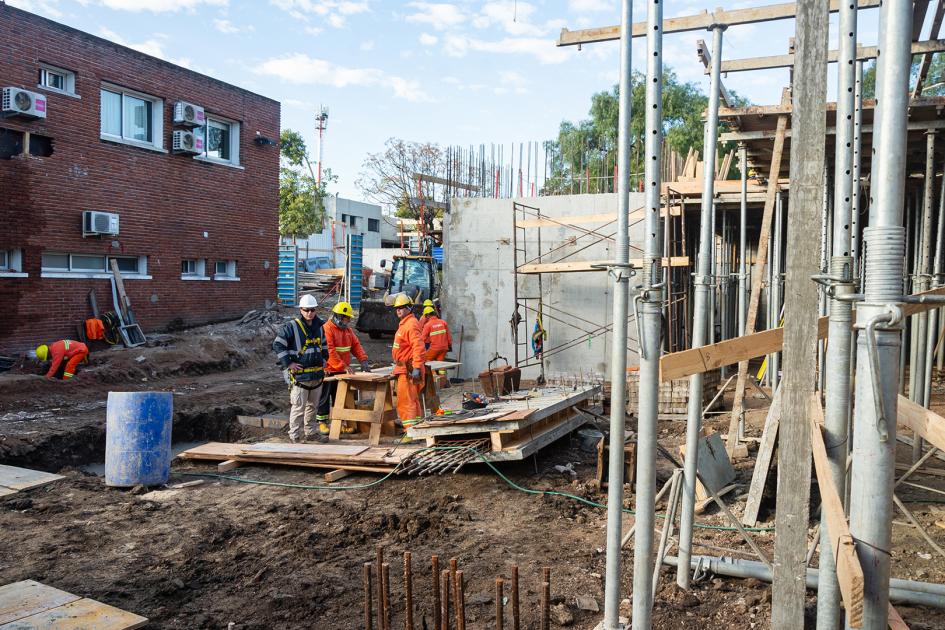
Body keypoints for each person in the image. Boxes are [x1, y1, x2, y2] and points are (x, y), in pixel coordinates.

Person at [272, 294, 328, 443]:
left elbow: (323, 344)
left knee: (313, 407)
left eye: (312, 310)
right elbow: (278, 344)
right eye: (306, 310)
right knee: (298, 408)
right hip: (300, 377)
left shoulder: (320, 327)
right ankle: (294, 436)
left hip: (316, 375)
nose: (309, 313)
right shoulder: (292, 327)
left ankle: (310, 433)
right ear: (301, 310)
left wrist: (324, 358)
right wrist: (288, 364)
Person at [316, 301, 371, 435]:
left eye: (348, 319)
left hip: (341, 371)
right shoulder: (327, 329)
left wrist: (363, 360)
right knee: (324, 397)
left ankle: (338, 424)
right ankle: (322, 423)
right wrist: (344, 366)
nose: (347, 321)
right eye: (345, 318)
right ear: (337, 316)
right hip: (328, 370)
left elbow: (356, 346)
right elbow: (330, 351)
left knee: (339, 398)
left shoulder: (348, 331)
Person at [391, 293, 426, 428]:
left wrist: (416, 367)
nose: (398, 310)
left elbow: (419, 346)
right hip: (406, 368)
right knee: (412, 400)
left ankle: (410, 431)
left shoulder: (410, 324)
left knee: (406, 401)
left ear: (409, 308)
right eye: (396, 308)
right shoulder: (405, 324)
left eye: (401, 307)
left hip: (409, 369)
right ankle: (416, 429)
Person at [421, 305, 453, 388]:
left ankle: (434, 377)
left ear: (428, 315)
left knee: (426, 360)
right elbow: (449, 336)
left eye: (425, 316)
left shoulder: (428, 325)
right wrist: (449, 345)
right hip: (444, 348)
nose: (425, 318)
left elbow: (422, 339)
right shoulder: (443, 322)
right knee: (440, 364)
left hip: (435, 348)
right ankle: (442, 383)